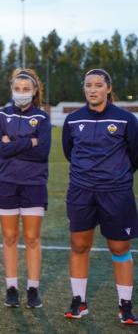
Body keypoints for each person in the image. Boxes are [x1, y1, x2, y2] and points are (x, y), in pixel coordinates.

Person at [62, 69, 138, 324]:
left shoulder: (126, 119)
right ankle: (78, 302)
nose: (92, 90)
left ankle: (125, 305)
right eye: (88, 85)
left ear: (108, 88)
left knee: (120, 247)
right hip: (81, 191)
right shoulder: (73, 120)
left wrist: (115, 175)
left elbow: (134, 155)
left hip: (117, 193)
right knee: (79, 245)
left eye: (97, 85)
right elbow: (69, 152)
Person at [0, 68, 50, 309]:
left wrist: (13, 142)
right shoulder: (1, 115)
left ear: (34, 91)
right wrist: (29, 141)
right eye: (17, 89)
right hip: (6, 182)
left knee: (33, 238)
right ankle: (11, 287)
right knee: (10, 237)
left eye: (26, 89)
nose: (22, 93)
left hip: (34, 184)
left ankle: (33, 288)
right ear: (12, 89)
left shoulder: (43, 118)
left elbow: (42, 152)